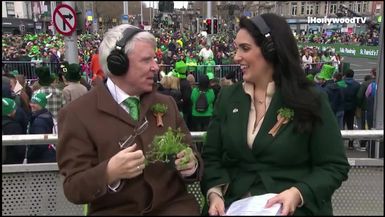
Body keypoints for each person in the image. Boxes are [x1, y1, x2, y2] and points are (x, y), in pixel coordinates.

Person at [200, 14, 350, 216]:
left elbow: (334, 166)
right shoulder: (227, 97)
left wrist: (297, 193)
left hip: (293, 209)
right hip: (234, 205)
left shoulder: (311, 99)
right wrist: (215, 193)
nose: (236, 56)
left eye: (245, 48)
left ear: (271, 49)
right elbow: (212, 157)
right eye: (237, 48)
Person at [56, 24, 203, 215]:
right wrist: (109, 172)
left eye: (155, 59)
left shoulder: (168, 104)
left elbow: (194, 159)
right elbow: (73, 188)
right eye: (146, 60)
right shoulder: (77, 114)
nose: (155, 67)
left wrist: (192, 165)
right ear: (118, 64)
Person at [27, 92, 56, 163]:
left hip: (41, 159)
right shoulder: (45, 115)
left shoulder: (39, 121)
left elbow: (40, 144)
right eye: (31, 102)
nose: (31, 105)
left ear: (42, 105)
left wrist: (30, 155)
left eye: (35, 103)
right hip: (46, 156)